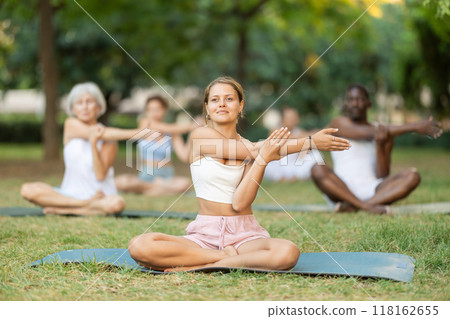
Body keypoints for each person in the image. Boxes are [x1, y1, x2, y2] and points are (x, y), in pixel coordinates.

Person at [128, 76, 350, 272]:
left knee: (288, 252)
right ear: (206, 107)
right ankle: (220, 257)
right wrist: (310, 142)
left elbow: (240, 202)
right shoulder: (200, 136)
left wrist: (262, 161)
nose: (221, 104)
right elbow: (256, 149)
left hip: (244, 234)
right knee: (140, 245)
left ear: (240, 105)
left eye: (229, 99)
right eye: (215, 100)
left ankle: (209, 264)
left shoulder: (249, 147)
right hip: (205, 235)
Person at [20, 82, 154, 216]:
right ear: (73, 109)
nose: (84, 107)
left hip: (100, 196)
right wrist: (140, 132)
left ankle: (66, 209)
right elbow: (100, 133)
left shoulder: (110, 140)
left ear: (99, 107)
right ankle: (83, 206)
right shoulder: (71, 125)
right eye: (79, 103)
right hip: (69, 195)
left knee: (117, 204)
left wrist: (94, 144)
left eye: (89, 102)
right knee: (27, 190)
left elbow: (100, 175)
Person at [311, 84, 443, 215]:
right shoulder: (338, 123)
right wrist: (415, 126)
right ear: (346, 105)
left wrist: (380, 144)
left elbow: (382, 175)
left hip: (372, 190)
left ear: (369, 103)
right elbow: (368, 132)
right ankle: (365, 206)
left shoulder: (383, 132)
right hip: (340, 189)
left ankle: (355, 207)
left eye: (359, 99)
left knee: (413, 175)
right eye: (350, 100)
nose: (354, 103)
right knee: (317, 168)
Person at [115, 95, 198, 196]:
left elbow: (184, 156)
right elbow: (163, 127)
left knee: (185, 184)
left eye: (157, 109)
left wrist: (193, 133)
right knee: (123, 182)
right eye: (150, 110)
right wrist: (191, 126)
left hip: (166, 176)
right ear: (146, 112)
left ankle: (146, 190)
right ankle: (158, 189)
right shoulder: (145, 123)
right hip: (146, 175)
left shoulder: (173, 132)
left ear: (165, 110)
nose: (154, 113)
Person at [264, 106, 320, 181]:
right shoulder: (275, 130)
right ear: (282, 119)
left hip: (295, 166)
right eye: (290, 117)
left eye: (294, 117)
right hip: (279, 167)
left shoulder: (299, 131)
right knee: (264, 162)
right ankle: (282, 178)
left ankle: (295, 178)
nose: (293, 120)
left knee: (315, 155)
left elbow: (310, 138)